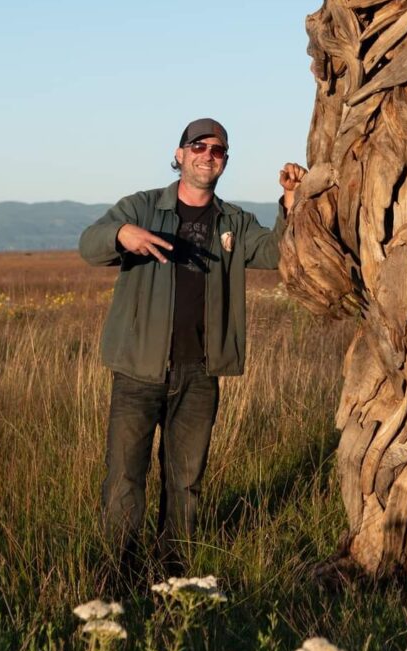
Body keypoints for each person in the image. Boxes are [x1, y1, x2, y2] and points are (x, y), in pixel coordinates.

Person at [79, 117, 306, 581]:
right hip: (139, 370)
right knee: (125, 476)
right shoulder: (141, 208)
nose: (208, 154)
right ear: (179, 155)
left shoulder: (233, 222)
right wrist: (122, 235)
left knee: (185, 482)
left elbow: (281, 254)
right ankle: (118, 574)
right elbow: (89, 245)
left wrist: (291, 204)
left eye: (218, 149)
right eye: (198, 146)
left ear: (224, 161)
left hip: (200, 372)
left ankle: (175, 576)